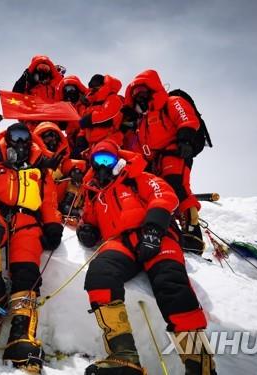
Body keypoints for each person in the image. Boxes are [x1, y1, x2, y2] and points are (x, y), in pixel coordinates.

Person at [77, 139, 215, 375]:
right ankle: (123, 356)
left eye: (107, 160)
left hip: (157, 235)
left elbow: (164, 195)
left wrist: (153, 229)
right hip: (121, 243)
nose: (102, 166)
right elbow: (89, 221)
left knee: (171, 284)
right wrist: (86, 231)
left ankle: (200, 366)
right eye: (97, 161)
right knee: (100, 275)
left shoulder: (137, 176)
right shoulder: (94, 194)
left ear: (118, 161)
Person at [0, 122, 63, 373]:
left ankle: (21, 335)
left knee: (27, 273)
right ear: (6, 138)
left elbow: (49, 201)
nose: (19, 141)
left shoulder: (40, 168)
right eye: (14, 136)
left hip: (27, 220)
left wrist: (52, 225)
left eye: (24, 137)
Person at [122, 69, 204, 252]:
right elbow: (141, 147)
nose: (139, 98)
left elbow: (186, 117)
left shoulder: (172, 102)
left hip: (176, 151)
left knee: (177, 186)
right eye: (136, 95)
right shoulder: (142, 122)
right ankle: (173, 228)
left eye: (143, 92)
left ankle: (193, 233)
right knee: (161, 192)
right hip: (156, 161)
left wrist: (185, 139)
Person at [32, 121, 87, 221]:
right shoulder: (31, 155)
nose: (52, 140)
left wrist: (75, 171)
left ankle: (68, 205)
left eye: (55, 137)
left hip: (57, 196)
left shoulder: (61, 158)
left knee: (76, 173)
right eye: (48, 136)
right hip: (36, 196)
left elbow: (68, 164)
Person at [74, 74, 124, 159]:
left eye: (96, 87)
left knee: (105, 169)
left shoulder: (113, 98)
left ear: (103, 85)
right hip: (92, 146)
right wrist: (81, 137)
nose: (93, 90)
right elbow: (84, 126)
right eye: (92, 88)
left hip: (110, 143)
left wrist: (89, 119)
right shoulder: (91, 104)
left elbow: (106, 116)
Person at [55, 75, 89, 153]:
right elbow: (59, 125)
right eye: (66, 89)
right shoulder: (64, 108)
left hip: (85, 139)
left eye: (71, 89)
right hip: (70, 141)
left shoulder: (86, 104)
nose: (69, 92)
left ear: (78, 89)